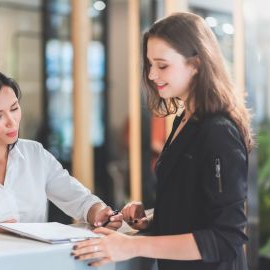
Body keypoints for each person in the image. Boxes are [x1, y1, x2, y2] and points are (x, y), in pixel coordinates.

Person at [72, 12, 254, 270]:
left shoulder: (218, 131)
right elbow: (196, 211)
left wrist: (131, 246)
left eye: (162, 65)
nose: (152, 75)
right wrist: (153, 219)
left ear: (196, 64)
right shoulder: (184, 121)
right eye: (149, 65)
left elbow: (226, 238)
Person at [0, 64, 122, 237]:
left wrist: (98, 211)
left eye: (14, 108)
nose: (12, 122)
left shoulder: (35, 155)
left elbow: (79, 199)